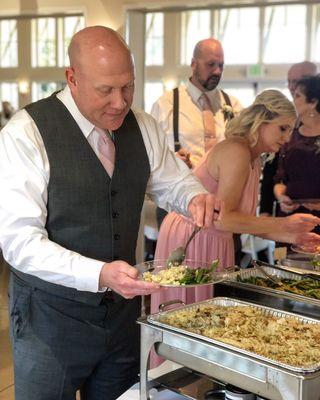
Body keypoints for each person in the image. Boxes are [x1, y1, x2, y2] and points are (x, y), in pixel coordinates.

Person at [0, 26, 218, 400]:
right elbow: (18, 242)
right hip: (49, 320)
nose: (120, 102)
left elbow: (173, 183)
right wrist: (98, 273)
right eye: (106, 90)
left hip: (122, 320)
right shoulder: (26, 133)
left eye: (128, 87)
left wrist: (195, 197)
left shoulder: (143, 126)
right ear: (72, 78)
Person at [152, 90, 320, 314]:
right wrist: (283, 224)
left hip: (216, 239)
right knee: (185, 315)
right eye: (282, 128)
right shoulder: (236, 150)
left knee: (208, 316)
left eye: (290, 130)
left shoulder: (254, 159)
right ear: (261, 120)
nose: (287, 138)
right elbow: (223, 219)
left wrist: (291, 235)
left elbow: (242, 222)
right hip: (193, 235)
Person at [151, 38, 242, 170]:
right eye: (211, 64)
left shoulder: (234, 106)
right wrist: (171, 161)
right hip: (181, 188)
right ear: (194, 64)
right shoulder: (165, 105)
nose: (217, 71)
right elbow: (150, 155)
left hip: (224, 188)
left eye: (221, 65)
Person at [260, 61, 318, 217]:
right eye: (290, 82)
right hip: (289, 214)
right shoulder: (287, 127)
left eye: (298, 82)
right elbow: (274, 174)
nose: (292, 87)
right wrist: (271, 205)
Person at [274, 75, 320, 234]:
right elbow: (280, 180)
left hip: (318, 220)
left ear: (313, 102)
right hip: (290, 218)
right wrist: (281, 197)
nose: (292, 101)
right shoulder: (289, 136)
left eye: (297, 96)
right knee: (283, 259)